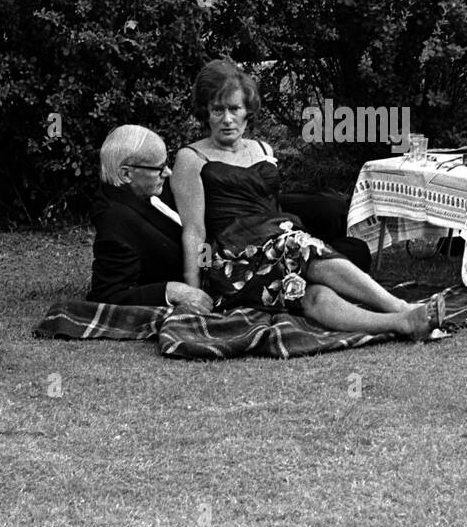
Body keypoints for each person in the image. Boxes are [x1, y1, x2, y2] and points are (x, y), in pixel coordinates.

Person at [170, 60, 445, 338]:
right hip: (231, 260)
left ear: (247, 111)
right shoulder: (191, 159)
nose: (227, 119)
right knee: (300, 245)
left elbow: (271, 208)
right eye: (218, 110)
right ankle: (401, 306)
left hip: (277, 245)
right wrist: (196, 286)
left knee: (311, 294)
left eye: (234, 109)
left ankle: (402, 324)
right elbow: (195, 230)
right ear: (206, 112)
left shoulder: (262, 149)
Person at [87, 124, 214, 313]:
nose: (168, 172)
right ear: (126, 174)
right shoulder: (115, 220)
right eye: (159, 168)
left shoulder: (141, 190)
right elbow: (106, 294)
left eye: (166, 164)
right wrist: (171, 291)